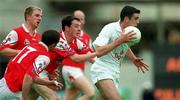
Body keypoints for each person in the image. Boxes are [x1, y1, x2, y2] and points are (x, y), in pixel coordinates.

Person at [90, 5, 149, 100]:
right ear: (126, 19)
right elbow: (98, 51)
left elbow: (125, 46)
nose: (138, 22)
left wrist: (133, 59)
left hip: (115, 72)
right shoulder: (110, 28)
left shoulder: (128, 32)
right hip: (102, 69)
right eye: (136, 18)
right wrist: (120, 40)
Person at [0, 30, 63, 100]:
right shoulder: (44, 56)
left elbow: (32, 77)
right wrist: (24, 97)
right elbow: (28, 76)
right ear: (53, 44)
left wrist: (48, 83)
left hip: (3, 83)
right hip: (12, 92)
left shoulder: (30, 46)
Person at [0, 6, 42, 78]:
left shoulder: (38, 36)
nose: (40, 18)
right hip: (15, 74)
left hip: (30, 75)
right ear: (28, 17)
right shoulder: (17, 32)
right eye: (37, 15)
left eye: (41, 16)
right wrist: (24, 52)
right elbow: (2, 50)